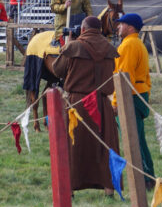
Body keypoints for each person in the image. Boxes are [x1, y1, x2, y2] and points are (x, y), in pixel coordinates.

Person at [49, 16, 119, 193]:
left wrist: (66, 46)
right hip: (102, 103)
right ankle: (108, 189)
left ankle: (71, 188)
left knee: (74, 146)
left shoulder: (73, 47)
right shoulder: (109, 48)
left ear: (83, 29)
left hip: (77, 103)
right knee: (104, 146)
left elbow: (57, 70)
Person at [113, 13, 154, 187]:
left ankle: (145, 178)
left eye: (121, 24)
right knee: (138, 139)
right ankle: (147, 177)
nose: (117, 27)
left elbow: (123, 76)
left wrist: (115, 102)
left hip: (130, 96)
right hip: (139, 94)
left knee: (133, 140)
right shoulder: (137, 44)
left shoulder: (128, 45)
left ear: (130, 28)